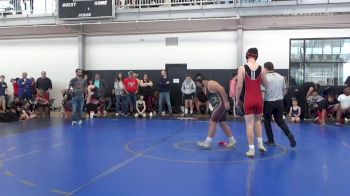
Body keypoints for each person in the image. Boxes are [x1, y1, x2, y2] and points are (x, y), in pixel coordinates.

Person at [235, 48, 268, 158]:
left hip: (248, 99)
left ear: (247, 55)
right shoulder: (262, 68)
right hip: (259, 99)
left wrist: (236, 100)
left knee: (249, 125)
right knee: (258, 121)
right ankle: (261, 145)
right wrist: (265, 75)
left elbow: (239, 86)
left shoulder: (242, 68)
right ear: (256, 56)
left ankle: (251, 150)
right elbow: (266, 84)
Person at [195, 74, 236, 149]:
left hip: (221, 105)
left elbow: (222, 89)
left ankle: (207, 142)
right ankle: (232, 140)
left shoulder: (211, 83)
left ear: (202, 81)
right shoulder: (204, 88)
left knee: (212, 121)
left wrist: (226, 101)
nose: (197, 85)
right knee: (223, 123)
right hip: (218, 106)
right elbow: (209, 99)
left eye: (198, 83)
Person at [262, 62, 296, 147]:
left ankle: (271, 140)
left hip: (268, 102)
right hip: (279, 102)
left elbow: (262, 92)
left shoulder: (264, 77)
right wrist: (280, 96)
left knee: (267, 121)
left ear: (265, 68)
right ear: (273, 67)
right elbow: (285, 91)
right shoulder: (281, 77)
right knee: (280, 121)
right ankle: (289, 135)